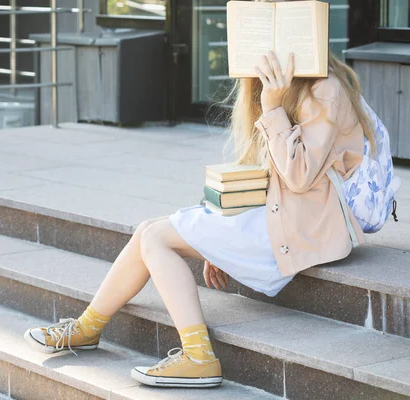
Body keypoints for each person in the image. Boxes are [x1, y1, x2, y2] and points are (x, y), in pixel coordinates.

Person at [23, 44, 375, 388]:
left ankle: (198, 358)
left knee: (156, 238)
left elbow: (298, 177)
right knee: (149, 230)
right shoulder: (276, 82)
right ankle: (87, 328)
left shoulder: (323, 88)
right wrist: (217, 231)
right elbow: (260, 174)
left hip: (303, 227)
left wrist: (271, 106)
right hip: (274, 214)